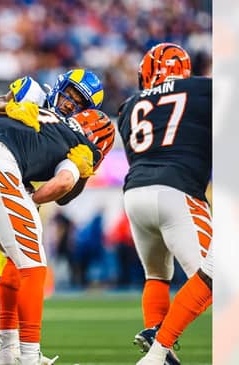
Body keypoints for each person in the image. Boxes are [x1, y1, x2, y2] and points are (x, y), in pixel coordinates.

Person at [0, 99, 115, 365]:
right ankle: (29, 356)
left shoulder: (41, 113)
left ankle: (8, 353)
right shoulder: (82, 145)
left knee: (16, 261)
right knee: (34, 267)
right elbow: (63, 183)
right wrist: (33, 199)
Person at [116, 42, 212, 365]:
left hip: (135, 195)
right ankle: (158, 349)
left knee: (156, 274)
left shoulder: (129, 106)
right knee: (218, 275)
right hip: (178, 190)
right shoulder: (203, 90)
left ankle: (159, 341)